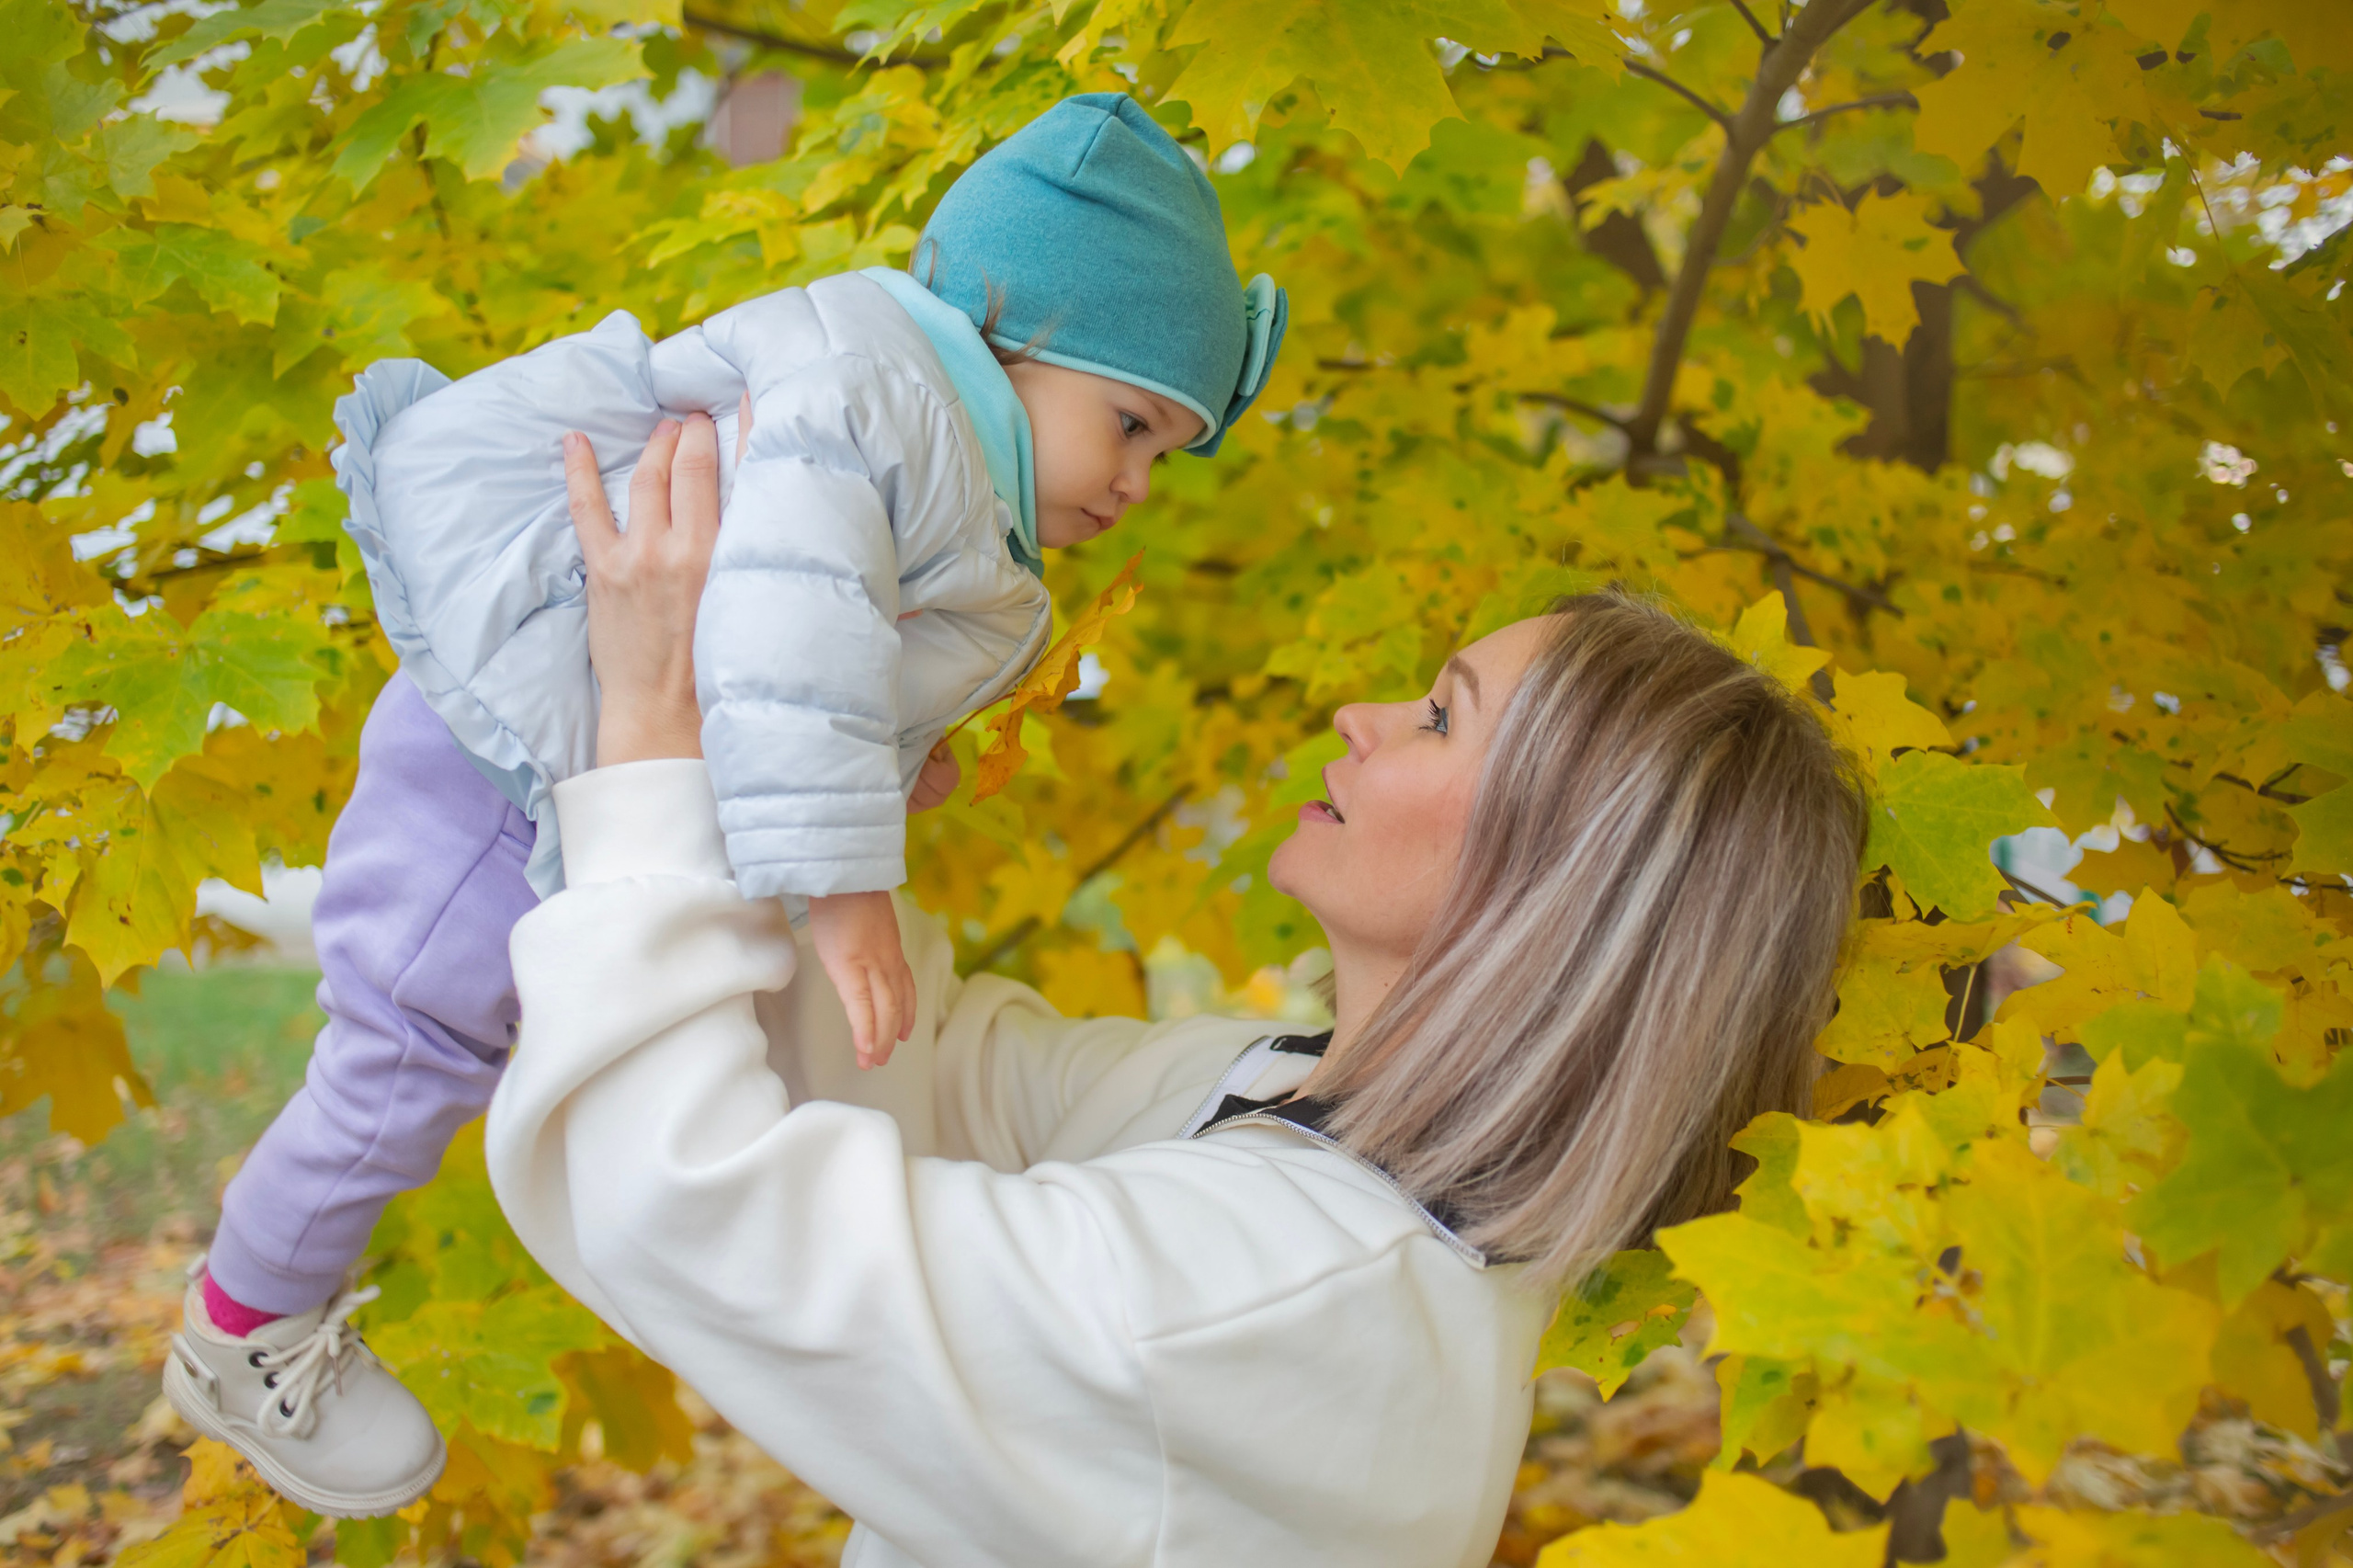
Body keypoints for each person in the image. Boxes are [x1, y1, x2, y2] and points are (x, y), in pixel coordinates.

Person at [163, 93, 1287, 1516]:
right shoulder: (887, 407)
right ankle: (243, 1324)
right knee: (403, 1049)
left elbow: (813, 668)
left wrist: (886, 762)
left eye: (1165, 456)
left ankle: (277, 1298)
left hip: (559, 760)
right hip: (494, 774)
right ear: (1024, 330)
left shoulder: (926, 439)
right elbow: (778, 637)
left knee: (477, 1049)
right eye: (1128, 424)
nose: (1136, 483)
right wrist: (849, 878)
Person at [477, 422, 1869, 1566]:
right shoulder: (1277, 1095)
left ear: (1559, 883)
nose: (1361, 718)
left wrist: (650, 735)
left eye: (1443, 716)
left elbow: (705, 1210)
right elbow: (930, 1075)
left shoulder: (1279, 1299)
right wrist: (820, 791)